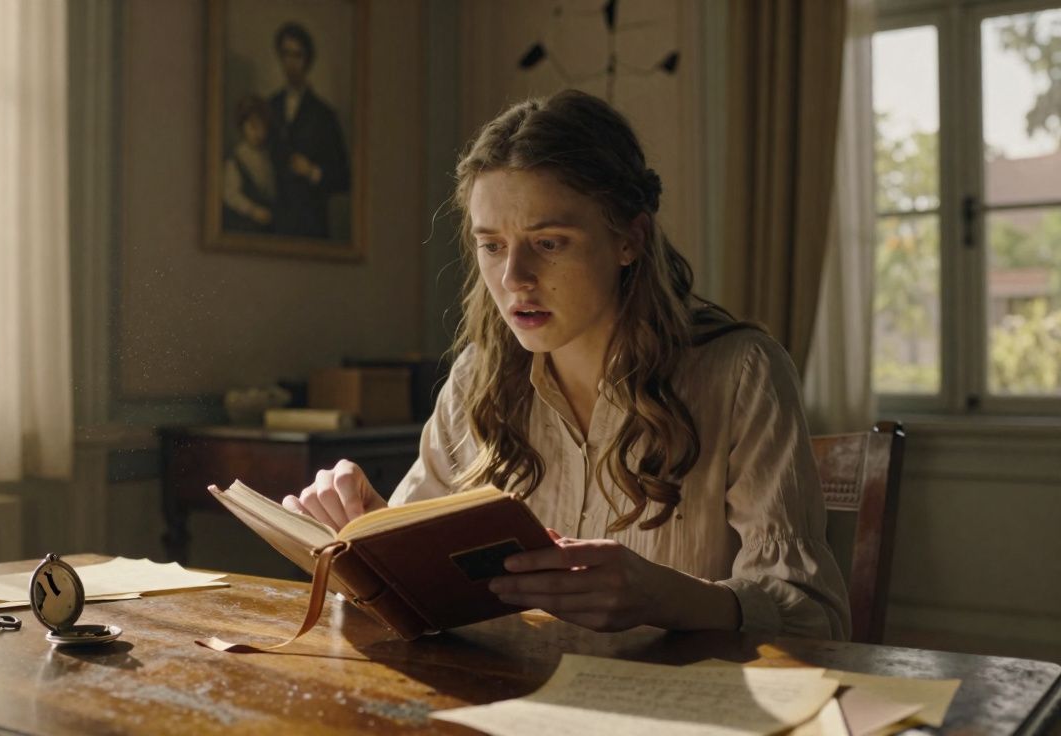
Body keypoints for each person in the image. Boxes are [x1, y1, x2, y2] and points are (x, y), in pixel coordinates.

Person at [282, 90, 850, 641]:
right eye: (492, 245)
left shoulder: (740, 373)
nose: (514, 279)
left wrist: (666, 597)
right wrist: (362, 532)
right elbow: (413, 580)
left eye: (549, 243)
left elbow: (815, 617)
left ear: (630, 239)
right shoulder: (476, 377)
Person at [267, 22, 349, 238]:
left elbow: (343, 177)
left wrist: (312, 171)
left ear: (307, 60)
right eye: (286, 54)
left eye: (298, 55)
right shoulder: (270, 107)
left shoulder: (324, 115)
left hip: (310, 226)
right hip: (274, 226)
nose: (291, 62)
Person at [222, 94, 277, 233]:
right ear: (242, 126)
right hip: (247, 224)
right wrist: (253, 211)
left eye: (262, 127)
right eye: (253, 126)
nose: (259, 133)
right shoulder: (237, 157)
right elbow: (230, 195)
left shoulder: (268, 155)